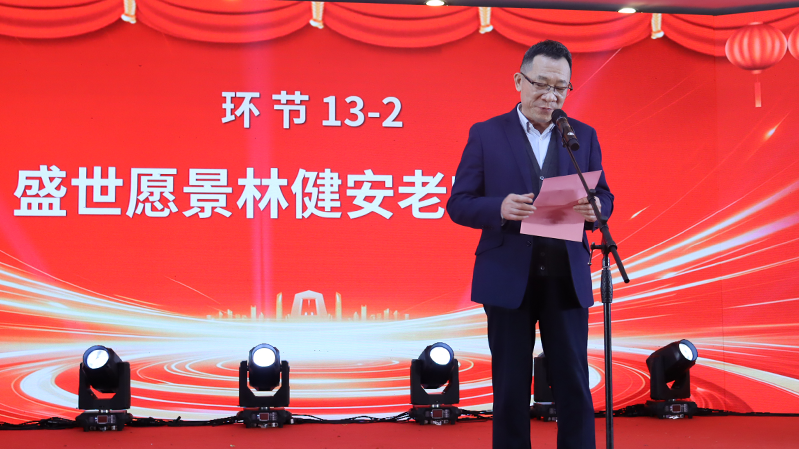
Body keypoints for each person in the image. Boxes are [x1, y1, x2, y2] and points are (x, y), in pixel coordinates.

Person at [446, 40, 613, 449]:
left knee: (573, 382)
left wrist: (596, 211)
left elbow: (604, 196)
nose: (550, 96)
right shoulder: (486, 134)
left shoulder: (582, 136)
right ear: (519, 81)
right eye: (541, 84)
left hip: (565, 278)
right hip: (508, 278)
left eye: (561, 87)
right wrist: (499, 208)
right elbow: (459, 203)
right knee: (510, 386)